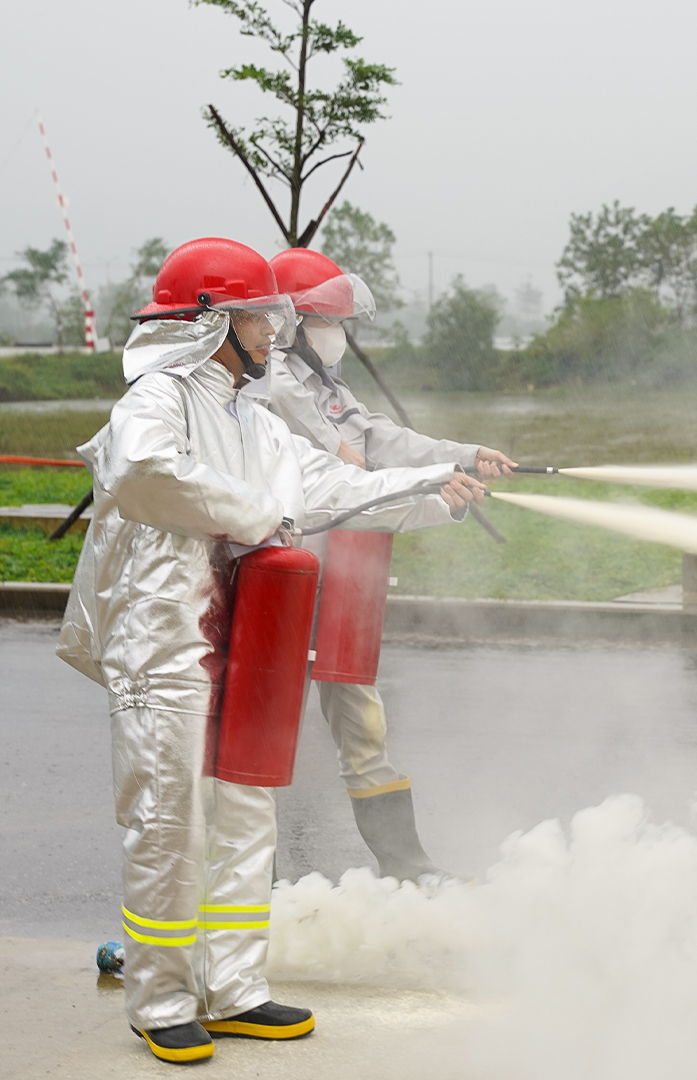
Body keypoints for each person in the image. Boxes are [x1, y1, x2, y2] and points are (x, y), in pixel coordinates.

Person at [56, 237, 486, 1065]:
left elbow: (331, 490)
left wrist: (433, 491)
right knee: (170, 822)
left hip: (239, 637)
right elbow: (144, 473)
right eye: (259, 319)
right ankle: (162, 999)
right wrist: (256, 515)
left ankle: (236, 987)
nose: (272, 336)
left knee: (247, 814)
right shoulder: (158, 400)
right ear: (212, 321)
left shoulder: (250, 419)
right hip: (163, 641)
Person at [241, 247, 516, 882]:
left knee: (361, 719)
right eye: (325, 321)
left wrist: (467, 455)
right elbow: (345, 477)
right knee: (261, 729)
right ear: (289, 322)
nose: (337, 335)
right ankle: (251, 889)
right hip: (283, 575)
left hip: (346, 571)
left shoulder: (326, 385)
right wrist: (432, 491)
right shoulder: (275, 387)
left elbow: (385, 440)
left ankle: (410, 870)